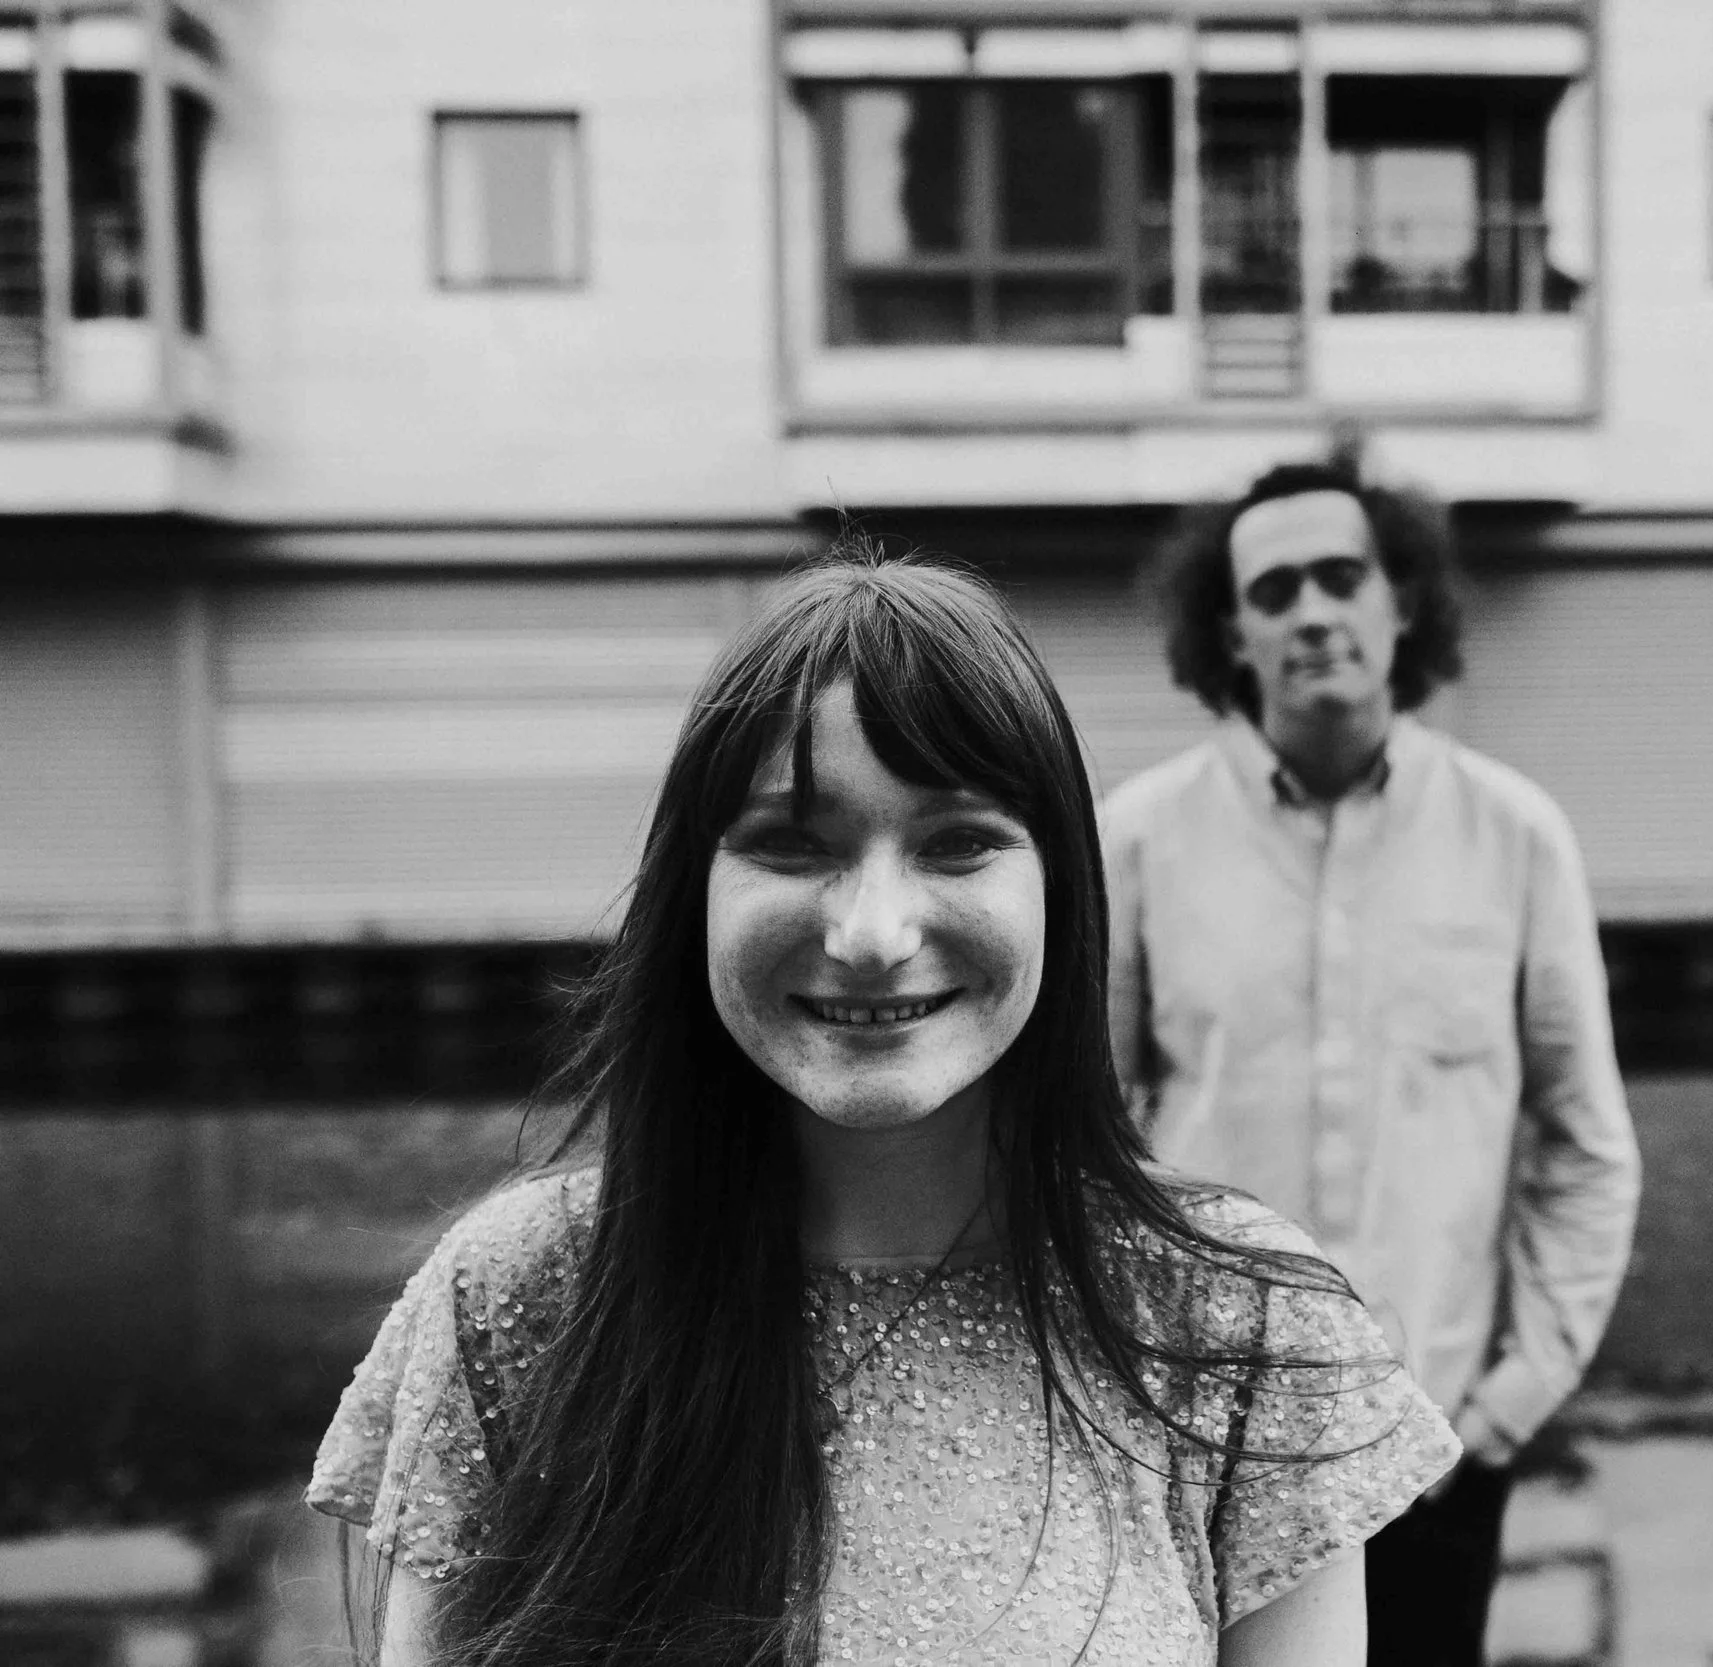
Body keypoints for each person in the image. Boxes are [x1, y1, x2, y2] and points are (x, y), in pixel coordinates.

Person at [305, 552, 1459, 1667]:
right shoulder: (516, 1299)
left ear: (1060, 888)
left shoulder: (1243, 1322)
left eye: (958, 842)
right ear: (690, 891)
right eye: (791, 844)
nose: (870, 930)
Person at [1102, 458, 1642, 1667]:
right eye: (1273, 587)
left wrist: (1509, 1402)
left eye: (1340, 576)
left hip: (1433, 1450)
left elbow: (1585, 1142)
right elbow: (1078, 1140)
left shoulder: (1517, 836)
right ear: (1229, 632)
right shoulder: (1133, 840)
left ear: (1402, 602)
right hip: (1200, 1445)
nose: (1310, 611)